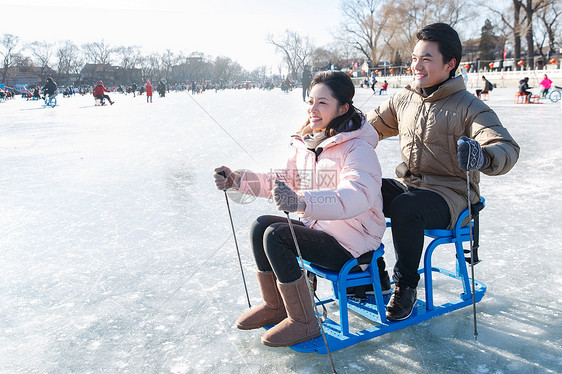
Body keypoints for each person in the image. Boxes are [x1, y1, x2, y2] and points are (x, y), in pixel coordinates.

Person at [213, 71, 387, 347]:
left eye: (322, 103)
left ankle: (305, 321)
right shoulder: (307, 145)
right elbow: (280, 182)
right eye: (310, 101)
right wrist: (237, 180)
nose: (313, 110)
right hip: (318, 229)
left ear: (343, 108)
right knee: (261, 225)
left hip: (353, 241)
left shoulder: (357, 148)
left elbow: (356, 195)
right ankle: (277, 305)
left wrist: (303, 201)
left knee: (277, 236)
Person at [366, 23, 520, 321]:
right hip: (412, 185)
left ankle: (405, 285)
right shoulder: (404, 98)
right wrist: (325, 132)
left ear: (450, 64)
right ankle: (368, 270)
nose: (417, 66)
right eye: (414, 58)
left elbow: (506, 148)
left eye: (426, 58)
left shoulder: (469, 106)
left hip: (452, 195)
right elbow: (364, 128)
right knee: (363, 188)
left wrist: (483, 156)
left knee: (406, 208)